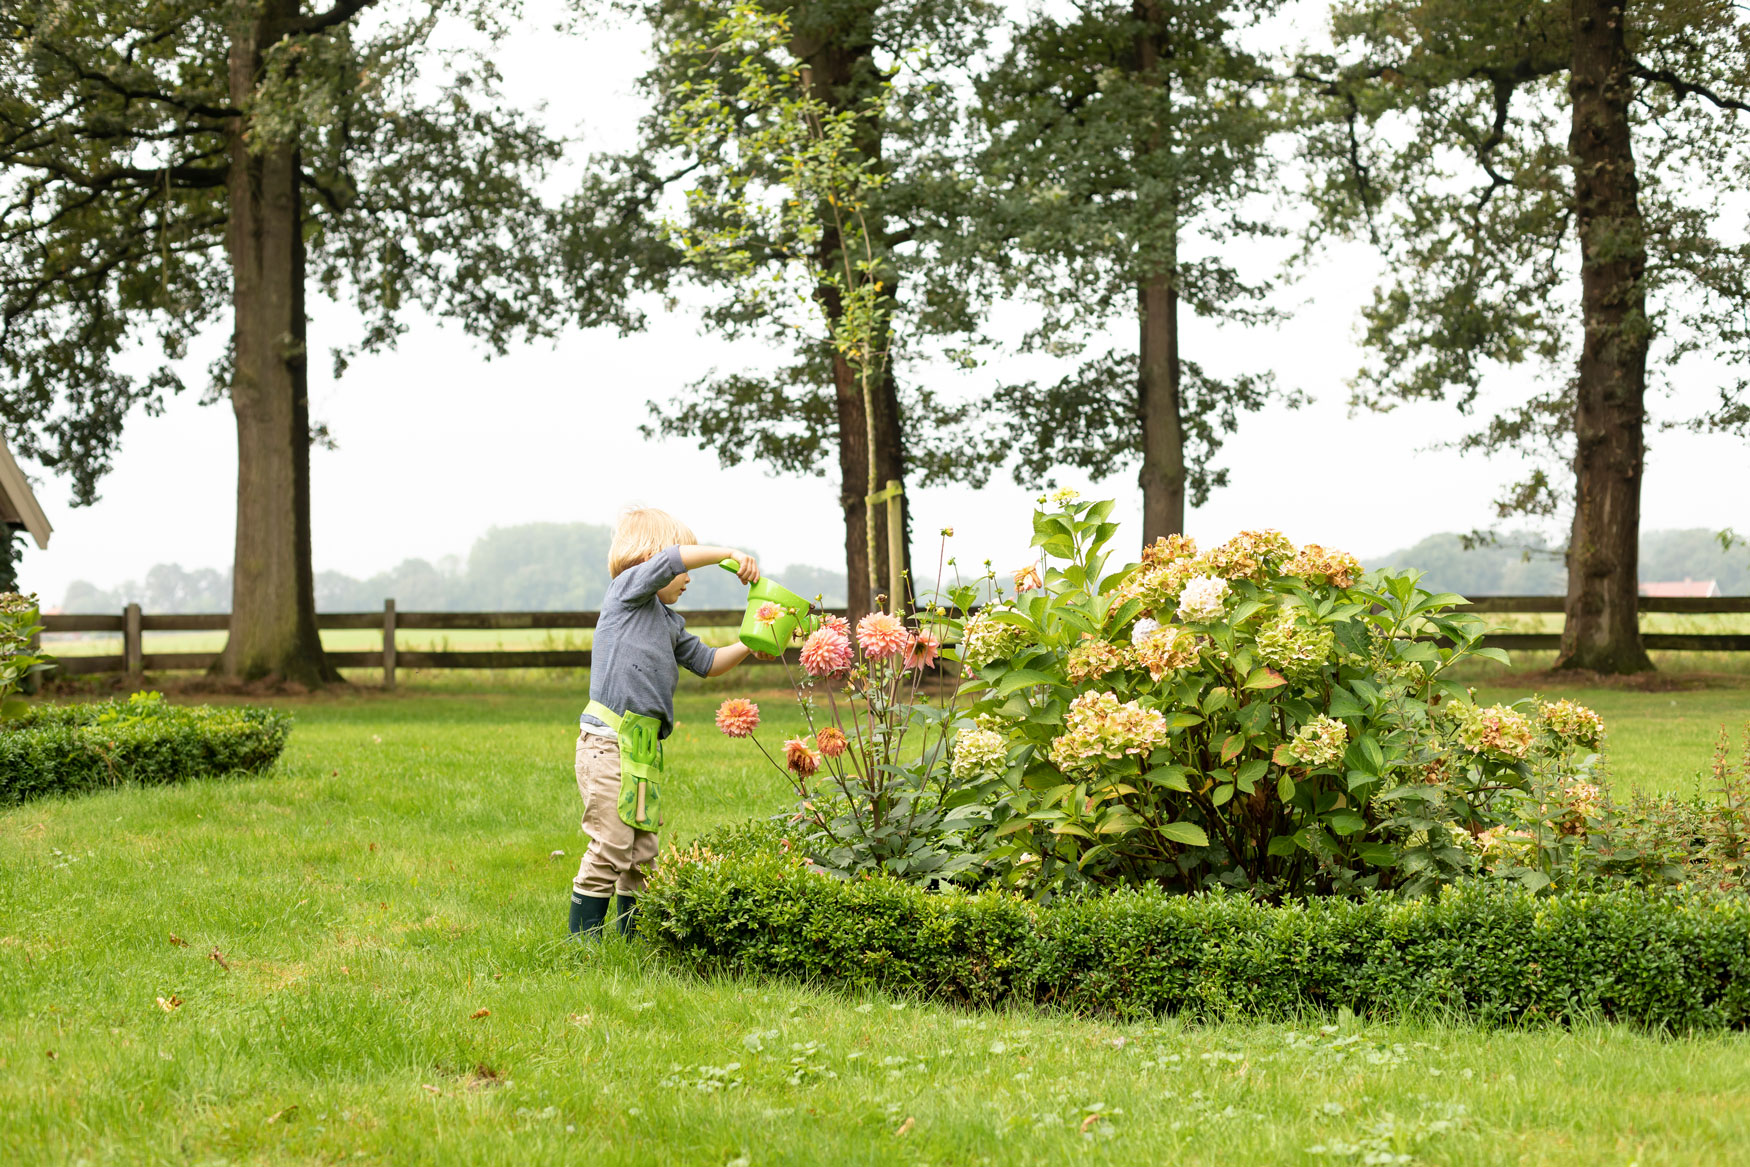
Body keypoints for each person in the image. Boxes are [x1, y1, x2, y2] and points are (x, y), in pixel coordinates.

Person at [568, 507, 761, 939]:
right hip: (607, 743)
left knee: (642, 853)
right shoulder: (627, 593)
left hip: (643, 748)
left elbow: (708, 662)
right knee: (612, 845)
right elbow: (672, 561)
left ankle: (631, 940)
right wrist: (728, 553)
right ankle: (582, 945)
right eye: (682, 568)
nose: (687, 577)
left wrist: (751, 642)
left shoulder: (669, 623)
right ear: (650, 559)